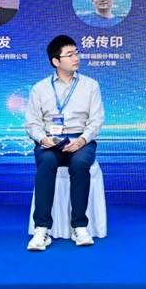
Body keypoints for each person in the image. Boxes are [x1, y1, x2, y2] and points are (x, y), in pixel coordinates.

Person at [26, 35, 104, 251]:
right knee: (47, 162)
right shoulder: (40, 88)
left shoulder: (90, 85)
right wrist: (43, 139)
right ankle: (42, 229)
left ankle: (79, 226)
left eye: (76, 53)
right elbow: (32, 123)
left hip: (81, 139)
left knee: (79, 164)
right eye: (69, 55)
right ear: (56, 61)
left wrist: (82, 140)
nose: (76, 58)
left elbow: (96, 120)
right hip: (50, 140)